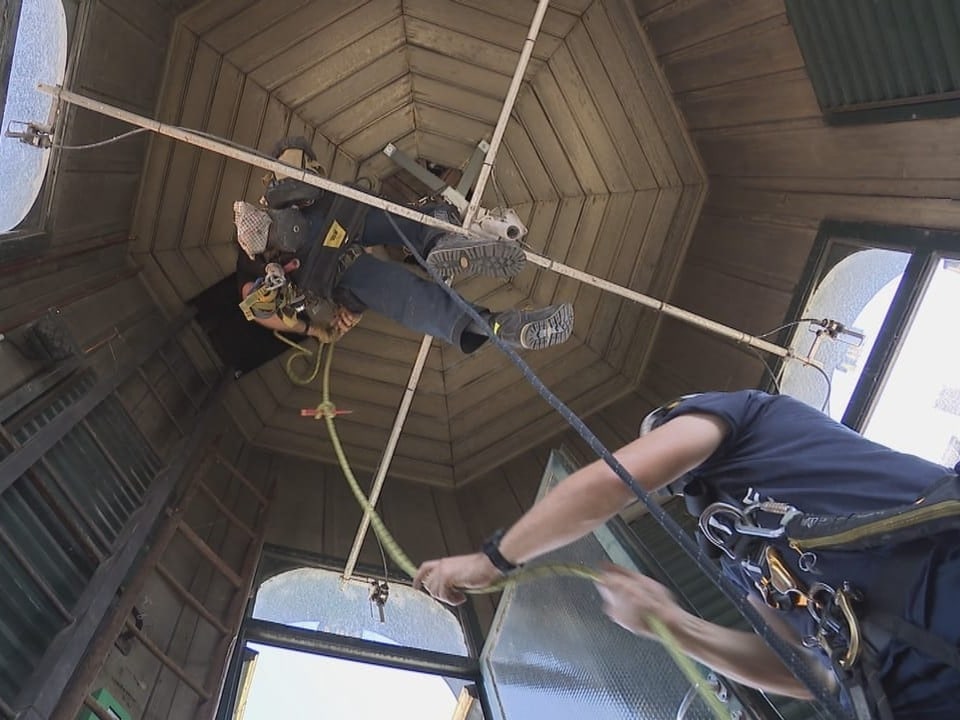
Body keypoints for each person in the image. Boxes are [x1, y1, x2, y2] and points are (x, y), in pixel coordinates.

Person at [414, 390, 960, 719]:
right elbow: (799, 668)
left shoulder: (747, 416)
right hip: (905, 697)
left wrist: (491, 561)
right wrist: (670, 625)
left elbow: (611, 483)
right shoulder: (726, 546)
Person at [234, 137, 574, 352]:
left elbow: (260, 306)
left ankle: (504, 329)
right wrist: (344, 313)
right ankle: (442, 242)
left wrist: (313, 328)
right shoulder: (309, 199)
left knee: (412, 301)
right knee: (422, 220)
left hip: (329, 271)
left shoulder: (256, 256)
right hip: (344, 217)